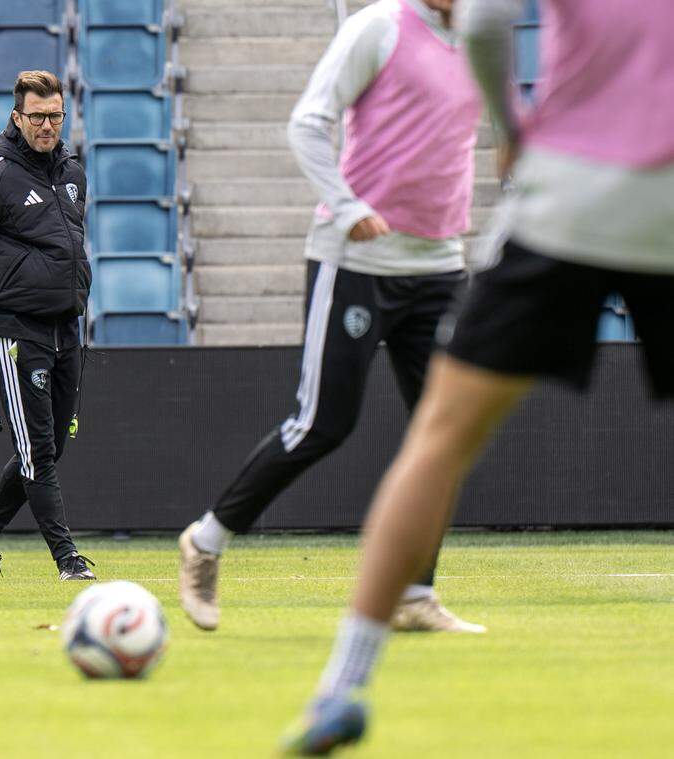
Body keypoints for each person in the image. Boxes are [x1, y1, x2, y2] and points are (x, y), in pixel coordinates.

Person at [287, 0, 674, 753]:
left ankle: (342, 685)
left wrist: (514, 129)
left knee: (438, 438)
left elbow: (490, 21)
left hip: (564, 197)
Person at [179, 0, 484, 634]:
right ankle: (205, 543)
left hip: (439, 267)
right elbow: (306, 124)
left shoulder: (483, 39)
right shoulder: (379, 27)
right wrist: (345, 207)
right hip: (356, 259)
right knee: (323, 422)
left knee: (446, 434)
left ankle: (414, 594)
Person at [0, 71, 95, 582]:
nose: (48, 125)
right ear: (16, 117)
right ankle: (67, 559)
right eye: (38, 116)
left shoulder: (73, 172)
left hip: (66, 326)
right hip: (13, 329)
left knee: (50, 445)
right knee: (35, 447)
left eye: (56, 115)